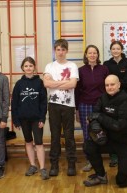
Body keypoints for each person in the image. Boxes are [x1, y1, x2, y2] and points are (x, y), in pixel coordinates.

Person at [83, 75, 127, 187]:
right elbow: (93, 116)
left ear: (119, 85)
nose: (109, 87)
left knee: (122, 182)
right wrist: (93, 123)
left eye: (112, 84)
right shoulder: (103, 98)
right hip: (111, 139)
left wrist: (100, 117)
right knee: (89, 146)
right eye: (107, 85)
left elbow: (119, 126)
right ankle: (101, 176)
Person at [43, 39, 79, 176]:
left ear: (67, 51)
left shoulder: (72, 66)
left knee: (69, 136)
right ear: (55, 50)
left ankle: (71, 164)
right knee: (55, 136)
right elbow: (47, 84)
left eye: (63, 49)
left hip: (69, 105)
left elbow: (73, 85)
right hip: (53, 105)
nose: (61, 52)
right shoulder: (49, 66)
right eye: (58, 49)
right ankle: (54, 165)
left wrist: (55, 82)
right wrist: (65, 82)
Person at [11, 57, 49, 180]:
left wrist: (42, 118)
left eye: (30, 66)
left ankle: (42, 167)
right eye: (26, 66)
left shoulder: (40, 83)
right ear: (23, 68)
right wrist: (15, 120)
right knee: (28, 142)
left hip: (37, 119)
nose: (28, 68)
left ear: (34, 67)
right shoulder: (19, 84)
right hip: (23, 119)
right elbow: (14, 103)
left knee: (39, 143)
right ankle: (33, 165)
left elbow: (44, 103)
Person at [75, 45, 109, 172]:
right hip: (84, 105)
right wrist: (77, 109)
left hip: (100, 105)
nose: (92, 55)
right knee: (87, 134)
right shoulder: (81, 70)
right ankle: (90, 161)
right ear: (86, 55)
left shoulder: (104, 69)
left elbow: (107, 88)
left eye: (95, 53)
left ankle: (100, 160)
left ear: (98, 55)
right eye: (90, 53)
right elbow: (77, 91)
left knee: (100, 132)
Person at [103, 40, 127, 167]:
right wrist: (114, 85)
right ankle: (113, 156)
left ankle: (124, 154)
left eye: (118, 48)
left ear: (121, 50)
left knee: (124, 126)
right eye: (113, 49)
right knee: (111, 127)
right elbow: (107, 82)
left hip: (125, 99)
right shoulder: (106, 64)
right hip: (111, 99)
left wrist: (115, 83)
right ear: (111, 50)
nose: (115, 51)